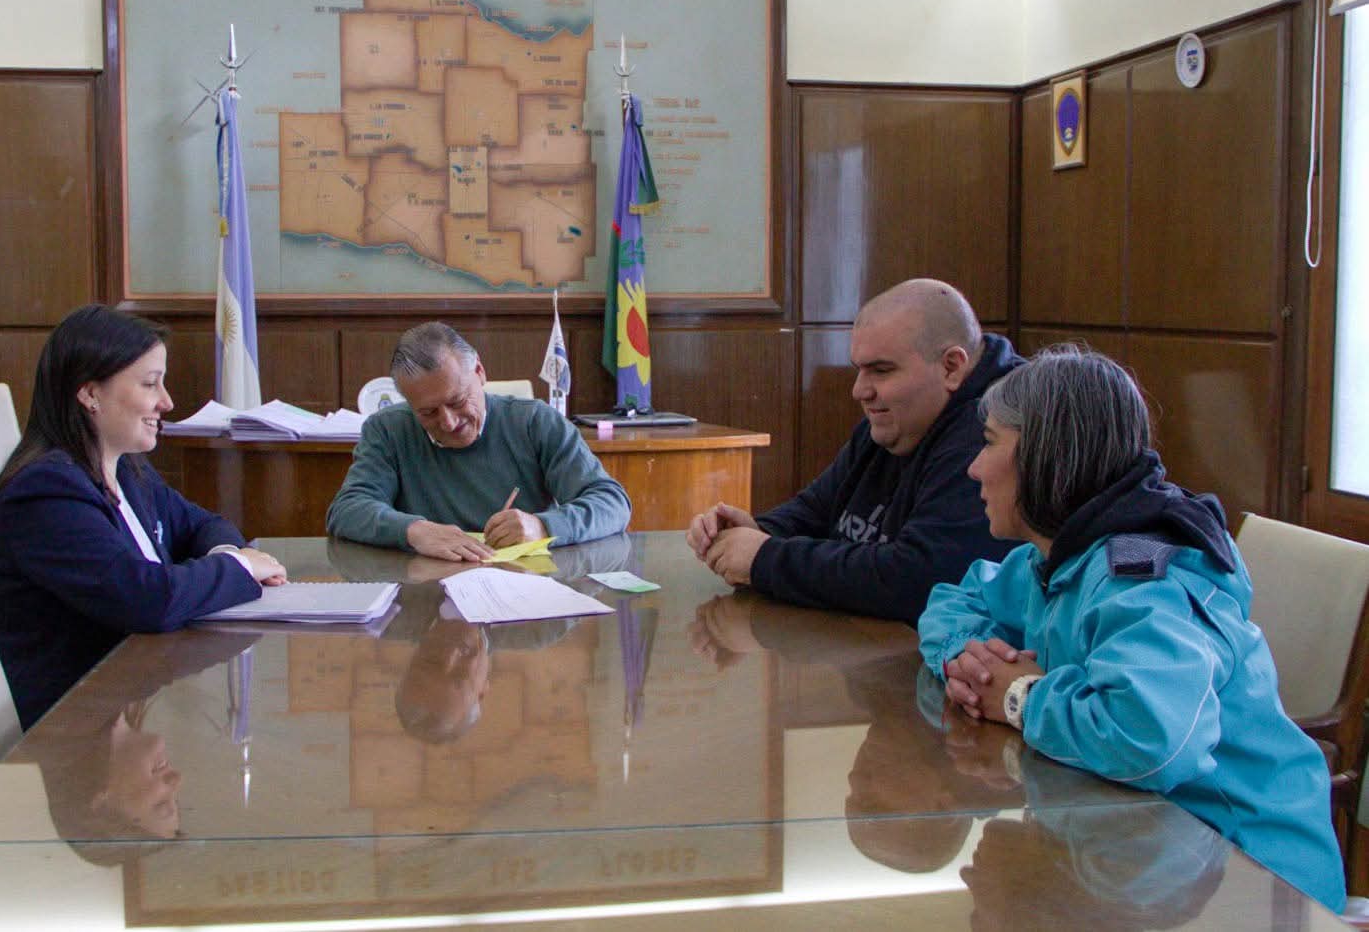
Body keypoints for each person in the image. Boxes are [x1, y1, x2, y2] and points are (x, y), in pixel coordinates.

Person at [918, 344, 1345, 910]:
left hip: (1247, 877)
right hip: (1140, 854)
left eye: (990, 442)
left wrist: (1021, 697)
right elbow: (954, 600)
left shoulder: (1143, 577)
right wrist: (967, 657)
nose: (974, 467)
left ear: (1045, 455)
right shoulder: (1060, 555)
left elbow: (1153, 744)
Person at [0, 304, 287, 729]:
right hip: (64, 727)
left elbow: (205, 526)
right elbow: (147, 600)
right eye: (150, 384)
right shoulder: (47, 491)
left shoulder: (127, 469)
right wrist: (240, 566)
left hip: (123, 701)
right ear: (90, 394)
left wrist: (225, 552)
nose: (167, 401)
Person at [687, 279, 1022, 622]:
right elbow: (816, 510)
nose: (859, 391)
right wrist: (760, 531)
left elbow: (920, 579)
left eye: (881, 371)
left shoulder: (997, 434)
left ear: (951, 367)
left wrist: (765, 558)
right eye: (859, 370)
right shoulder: (896, 421)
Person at [326, 322, 631, 560]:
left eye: (457, 401)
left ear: (480, 372)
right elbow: (347, 510)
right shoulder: (388, 429)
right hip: (425, 590)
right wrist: (413, 531)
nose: (448, 422)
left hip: (522, 589)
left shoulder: (536, 421)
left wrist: (543, 526)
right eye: (428, 412)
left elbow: (612, 503)